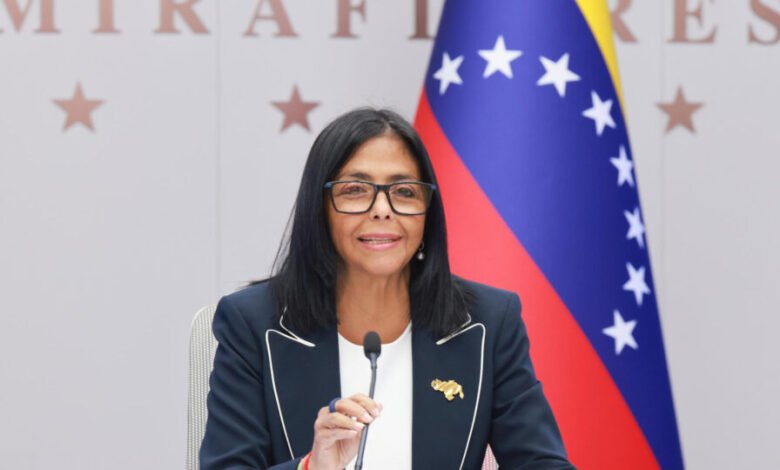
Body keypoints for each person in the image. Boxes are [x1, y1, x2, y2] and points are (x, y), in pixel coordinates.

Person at [199, 108, 574, 470]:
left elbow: (541, 462)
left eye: (405, 191)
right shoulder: (253, 324)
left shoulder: (487, 322)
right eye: (355, 189)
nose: (382, 209)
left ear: (427, 213)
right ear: (320, 209)